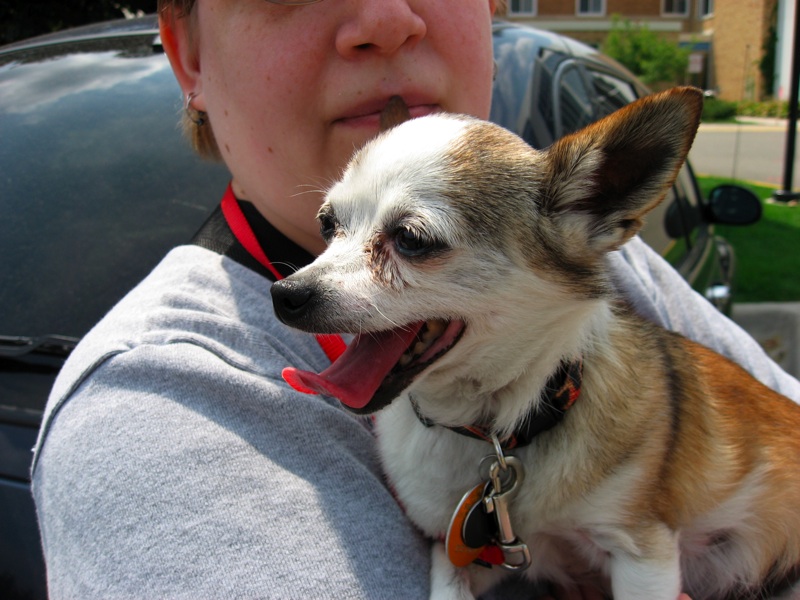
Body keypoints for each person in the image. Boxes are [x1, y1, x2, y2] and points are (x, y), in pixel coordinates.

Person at [31, 0, 800, 598]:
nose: (389, 21)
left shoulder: (587, 263)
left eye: (419, 239)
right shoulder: (155, 411)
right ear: (189, 52)